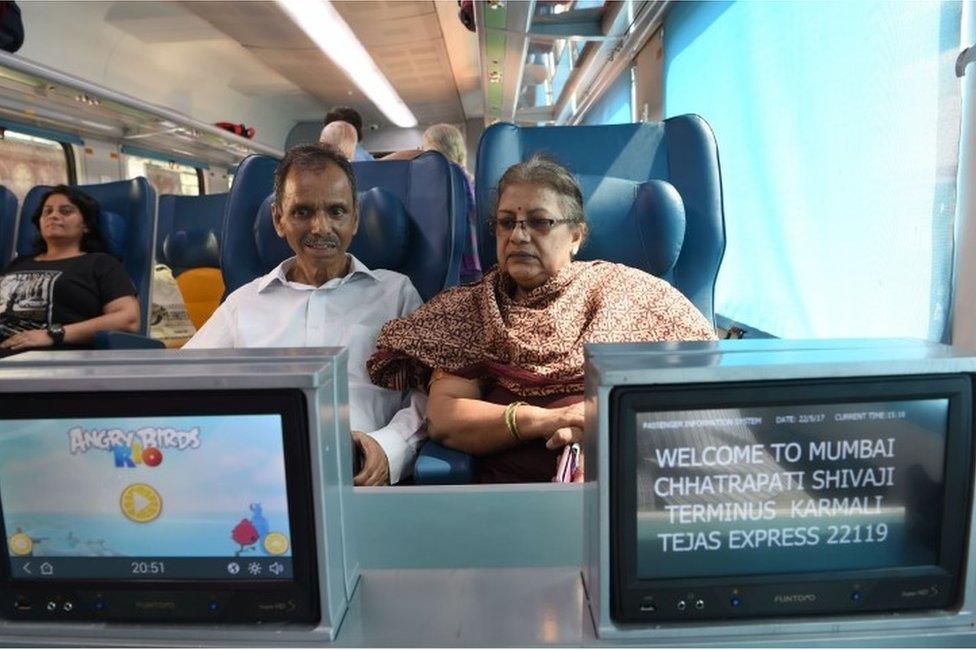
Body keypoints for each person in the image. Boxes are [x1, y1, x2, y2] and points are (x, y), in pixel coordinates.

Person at [368, 155, 716, 483]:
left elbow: (697, 388)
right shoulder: (469, 309)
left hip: (628, 477)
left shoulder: (626, 291)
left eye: (540, 222)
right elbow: (445, 417)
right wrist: (549, 420)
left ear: (576, 236)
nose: (518, 236)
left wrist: (603, 430)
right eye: (506, 223)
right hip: (513, 499)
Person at [184, 144, 425, 486]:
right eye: (302, 212)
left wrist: (390, 448)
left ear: (355, 218)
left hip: (356, 478)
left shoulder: (396, 294)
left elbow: (428, 395)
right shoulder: (244, 303)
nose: (320, 227)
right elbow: (184, 382)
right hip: (257, 476)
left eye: (336, 211)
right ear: (278, 219)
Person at [0, 185, 139, 356]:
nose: (54, 216)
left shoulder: (101, 264)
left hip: (52, 361)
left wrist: (53, 334)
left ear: (86, 225)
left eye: (65, 211)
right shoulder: (17, 264)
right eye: (47, 212)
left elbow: (128, 319)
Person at [382, 123, 482, 282]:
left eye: (424, 147)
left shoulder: (442, 176)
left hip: (450, 270)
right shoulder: (468, 178)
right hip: (472, 267)